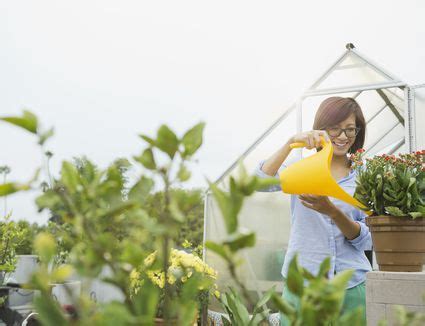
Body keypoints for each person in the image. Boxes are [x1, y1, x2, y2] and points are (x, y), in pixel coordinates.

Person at [255, 97, 372, 325]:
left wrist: (334, 213)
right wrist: (290, 143)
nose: (343, 137)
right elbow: (258, 182)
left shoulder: (365, 176)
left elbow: (368, 241)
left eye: (350, 130)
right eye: (335, 129)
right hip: (303, 286)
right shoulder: (300, 170)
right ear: (321, 130)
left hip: (350, 286)